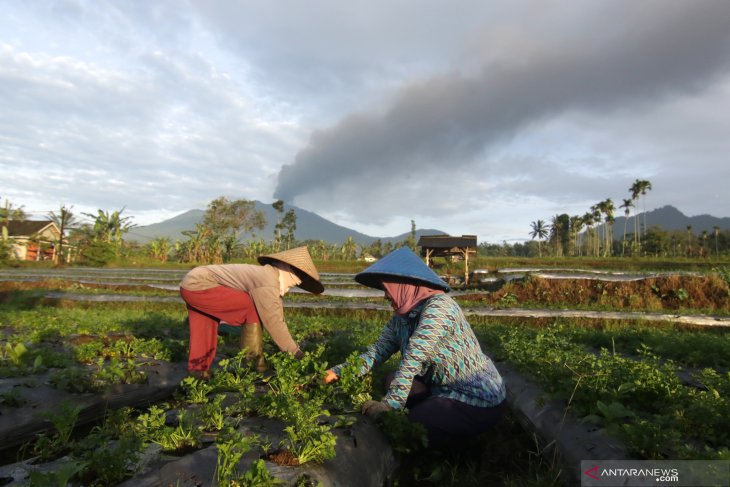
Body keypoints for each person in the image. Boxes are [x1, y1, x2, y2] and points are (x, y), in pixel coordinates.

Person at [324, 247, 506, 446]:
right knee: (391, 380)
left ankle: (462, 450)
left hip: (474, 396)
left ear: (404, 285)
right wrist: (334, 373)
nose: (386, 295)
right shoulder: (400, 319)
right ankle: (434, 412)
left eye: (387, 288)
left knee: (416, 422)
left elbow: (414, 356)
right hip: (440, 387)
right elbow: (375, 353)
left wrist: (390, 406)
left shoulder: (440, 307)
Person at [180, 246, 324, 377]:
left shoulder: (268, 276)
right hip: (200, 284)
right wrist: (296, 353)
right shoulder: (267, 281)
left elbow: (275, 310)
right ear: (285, 267)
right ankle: (253, 366)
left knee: (205, 325)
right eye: (298, 274)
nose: (299, 281)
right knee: (252, 308)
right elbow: (274, 321)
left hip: (191, 283)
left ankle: (197, 371)